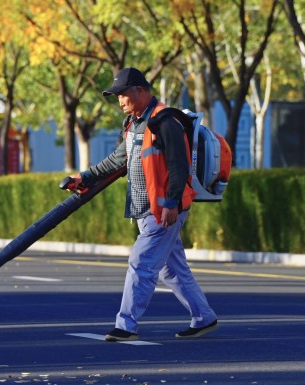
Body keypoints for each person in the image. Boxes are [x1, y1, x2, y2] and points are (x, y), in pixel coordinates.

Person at [68, 67, 218, 342]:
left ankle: (125, 325)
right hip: (144, 208)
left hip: (162, 210)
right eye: (117, 96)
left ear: (140, 90)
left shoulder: (165, 121)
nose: (120, 101)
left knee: (141, 262)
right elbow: (117, 161)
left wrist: (172, 203)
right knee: (171, 269)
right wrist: (85, 176)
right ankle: (204, 317)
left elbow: (179, 166)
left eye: (123, 95)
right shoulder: (133, 123)